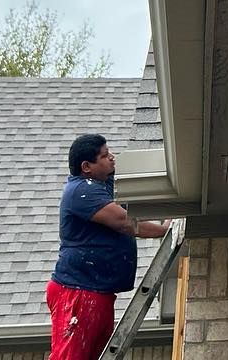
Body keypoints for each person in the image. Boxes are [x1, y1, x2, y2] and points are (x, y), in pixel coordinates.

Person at [47, 133, 170, 360]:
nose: (112, 158)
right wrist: (164, 230)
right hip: (77, 291)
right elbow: (123, 222)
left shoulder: (103, 184)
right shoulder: (82, 191)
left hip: (96, 291)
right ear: (86, 166)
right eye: (104, 156)